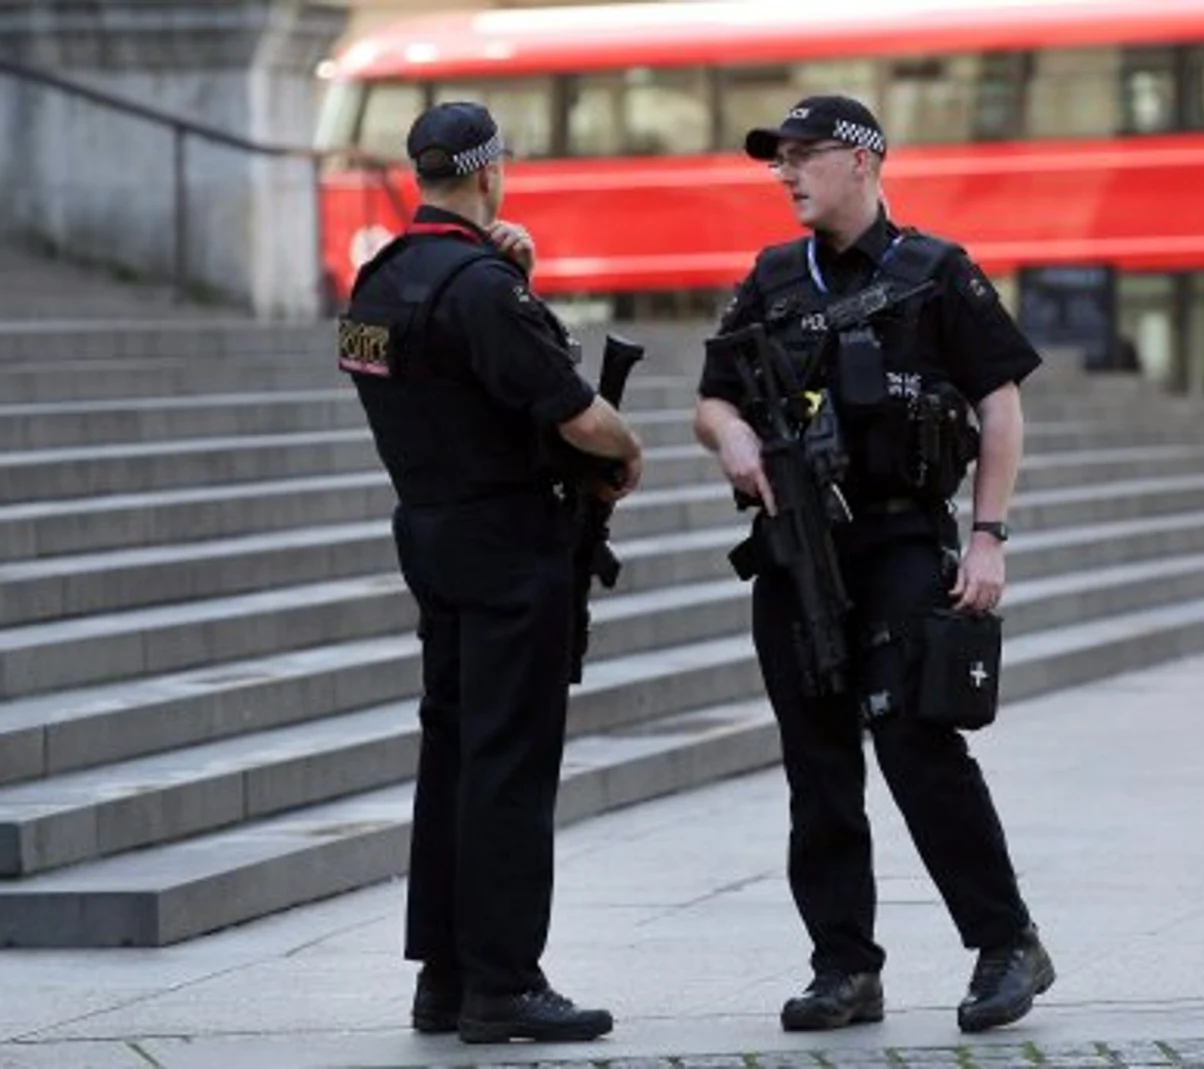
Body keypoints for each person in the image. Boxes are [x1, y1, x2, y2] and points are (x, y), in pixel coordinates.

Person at [691, 95, 1054, 1035]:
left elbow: (1000, 404)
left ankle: (1006, 940)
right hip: (798, 554)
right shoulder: (773, 277)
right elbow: (713, 399)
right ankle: (844, 967)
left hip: (900, 541)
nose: (786, 172)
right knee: (816, 767)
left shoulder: (936, 273)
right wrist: (730, 439)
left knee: (916, 743)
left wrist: (988, 535)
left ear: (862, 159)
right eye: (780, 158)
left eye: (804, 155)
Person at [336, 101, 639, 1044]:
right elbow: (576, 414)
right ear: (488, 172)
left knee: (455, 752)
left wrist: (508, 279)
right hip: (509, 541)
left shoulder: (378, 282)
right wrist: (626, 450)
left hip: (430, 532)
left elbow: (439, 377)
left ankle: (445, 975)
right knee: (509, 761)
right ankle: (504, 982)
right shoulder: (479, 288)